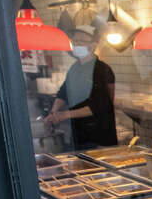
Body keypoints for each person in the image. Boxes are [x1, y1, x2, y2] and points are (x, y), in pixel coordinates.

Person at [44, 16, 117, 149]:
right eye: (75, 41)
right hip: (79, 135)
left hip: (99, 138)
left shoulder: (102, 70)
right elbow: (63, 92)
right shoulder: (74, 68)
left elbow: (99, 105)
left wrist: (64, 115)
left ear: (93, 45)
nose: (77, 44)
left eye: (81, 41)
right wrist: (53, 112)